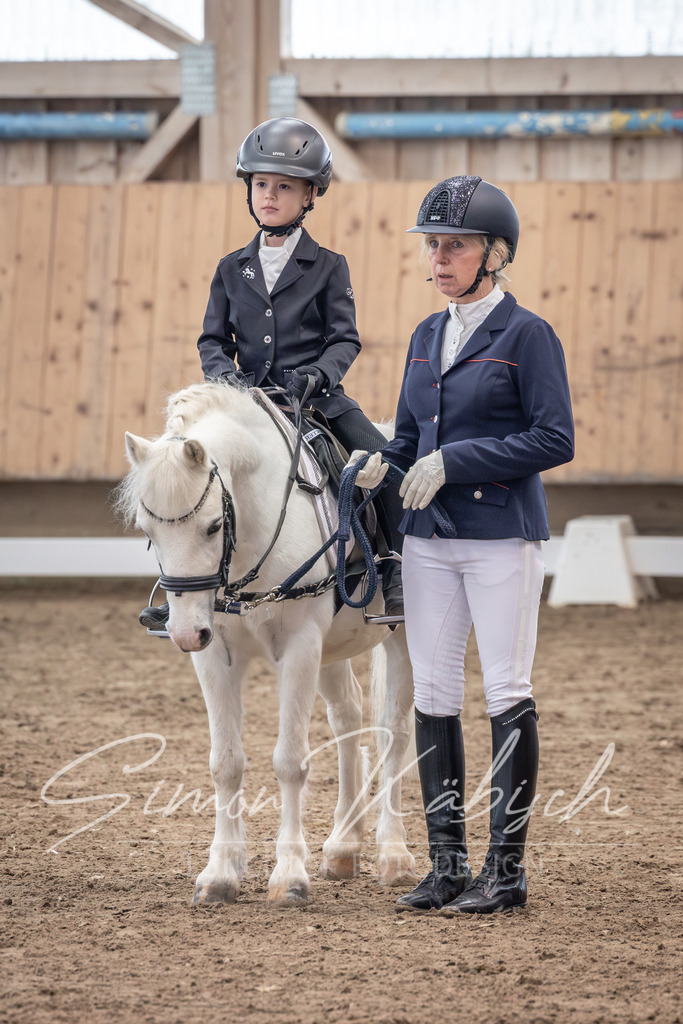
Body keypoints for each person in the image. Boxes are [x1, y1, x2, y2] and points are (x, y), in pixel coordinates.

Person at [347, 175, 574, 913]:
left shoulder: (528, 335)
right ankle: (447, 865)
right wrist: (382, 460)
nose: (439, 259)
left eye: (455, 246)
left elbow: (554, 438)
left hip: (500, 536)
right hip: (429, 540)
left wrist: (455, 462)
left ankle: (505, 871)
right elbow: (411, 437)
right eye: (433, 246)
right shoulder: (425, 335)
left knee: (506, 689)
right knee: (434, 694)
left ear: (495, 254)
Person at [139, 117, 404, 632]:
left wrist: (319, 375)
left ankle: (392, 568)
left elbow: (345, 339)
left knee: (383, 460)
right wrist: (227, 378)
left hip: (317, 401)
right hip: (246, 403)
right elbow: (212, 341)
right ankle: (175, 586)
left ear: (310, 195)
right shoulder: (230, 268)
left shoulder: (328, 266)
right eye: (261, 184)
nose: (269, 195)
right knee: (181, 472)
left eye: (284, 187)